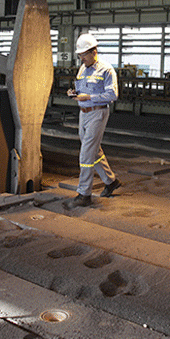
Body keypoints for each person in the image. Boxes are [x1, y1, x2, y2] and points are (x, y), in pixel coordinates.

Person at [65, 33, 121, 208]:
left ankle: (84, 194)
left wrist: (89, 97)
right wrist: (74, 93)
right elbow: (81, 89)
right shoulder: (82, 69)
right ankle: (111, 181)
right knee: (93, 150)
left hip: (97, 113)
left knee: (86, 154)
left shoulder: (106, 70)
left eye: (83, 55)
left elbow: (113, 94)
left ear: (93, 52)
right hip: (83, 113)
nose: (81, 59)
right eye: (80, 55)